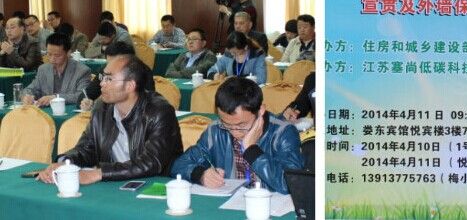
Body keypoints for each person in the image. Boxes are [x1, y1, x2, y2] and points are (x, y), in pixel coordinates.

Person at [37, 56, 183, 184]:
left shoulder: (159, 112)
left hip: (154, 185)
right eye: (102, 77)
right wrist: (65, 163)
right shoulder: (102, 107)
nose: (101, 83)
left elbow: (151, 163)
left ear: (130, 85)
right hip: (113, 184)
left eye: (109, 79)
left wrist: (99, 173)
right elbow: (87, 148)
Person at [170, 78, 302, 194]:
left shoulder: (283, 133)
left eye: (242, 125)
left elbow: (292, 184)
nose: (234, 131)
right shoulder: (216, 130)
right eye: (227, 124)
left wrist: (252, 150)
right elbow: (179, 164)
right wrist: (200, 174)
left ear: (260, 110)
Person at [22, 33, 91, 106]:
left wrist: (55, 98)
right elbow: (30, 89)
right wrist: (27, 96)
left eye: (57, 55)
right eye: (49, 54)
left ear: (68, 53)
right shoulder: (43, 69)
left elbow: (82, 96)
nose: (52, 59)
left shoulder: (82, 71)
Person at [80, 42, 155, 110]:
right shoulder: (105, 71)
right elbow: (86, 94)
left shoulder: (143, 72)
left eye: (115, 64)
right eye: (108, 63)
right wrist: (86, 103)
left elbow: (148, 103)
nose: (110, 68)